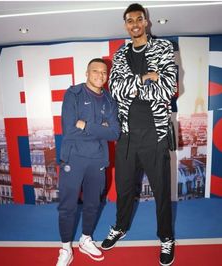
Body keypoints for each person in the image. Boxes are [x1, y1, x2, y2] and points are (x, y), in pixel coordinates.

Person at [101, 3, 177, 266]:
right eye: (129, 20)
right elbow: (115, 89)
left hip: (155, 135)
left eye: (138, 19)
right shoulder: (120, 54)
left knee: (161, 192)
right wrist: (146, 78)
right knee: (123, 189)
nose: (134, 23)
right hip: (126, 135)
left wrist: (133, 85)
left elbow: (169, 89)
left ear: (146, 22)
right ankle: (120, 226)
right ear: (126, 25)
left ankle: (166, 237)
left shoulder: (164, 48)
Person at [56, 58, 120, 266]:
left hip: (98, 160)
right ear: (86, 72)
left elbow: (114, 133)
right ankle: (66, 248)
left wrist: (87, 125)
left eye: (104, 72)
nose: (100, 75)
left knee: (93, 204)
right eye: (96, 71)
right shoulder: (73, 94)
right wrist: (100, 128)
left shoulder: (110, 101)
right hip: (73, 158)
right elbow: (70, 128)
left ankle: (85, 239)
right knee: (68, 206)